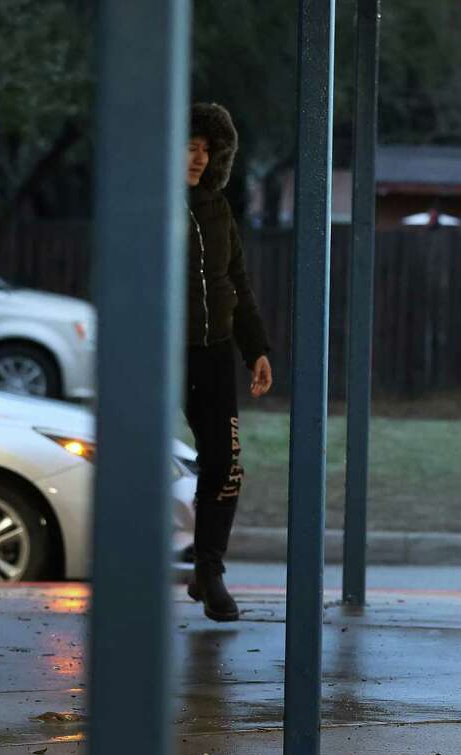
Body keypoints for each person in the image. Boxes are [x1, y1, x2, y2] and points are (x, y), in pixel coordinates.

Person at [184, 102, 273, 622]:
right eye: (190, 147)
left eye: (206, 149)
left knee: (225, 462)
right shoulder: (149, 206)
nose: (199, 158)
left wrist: (255, 349)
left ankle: (209, 570)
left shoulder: (218, 208)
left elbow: (237, 282)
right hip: (160, 353)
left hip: (215, 351)